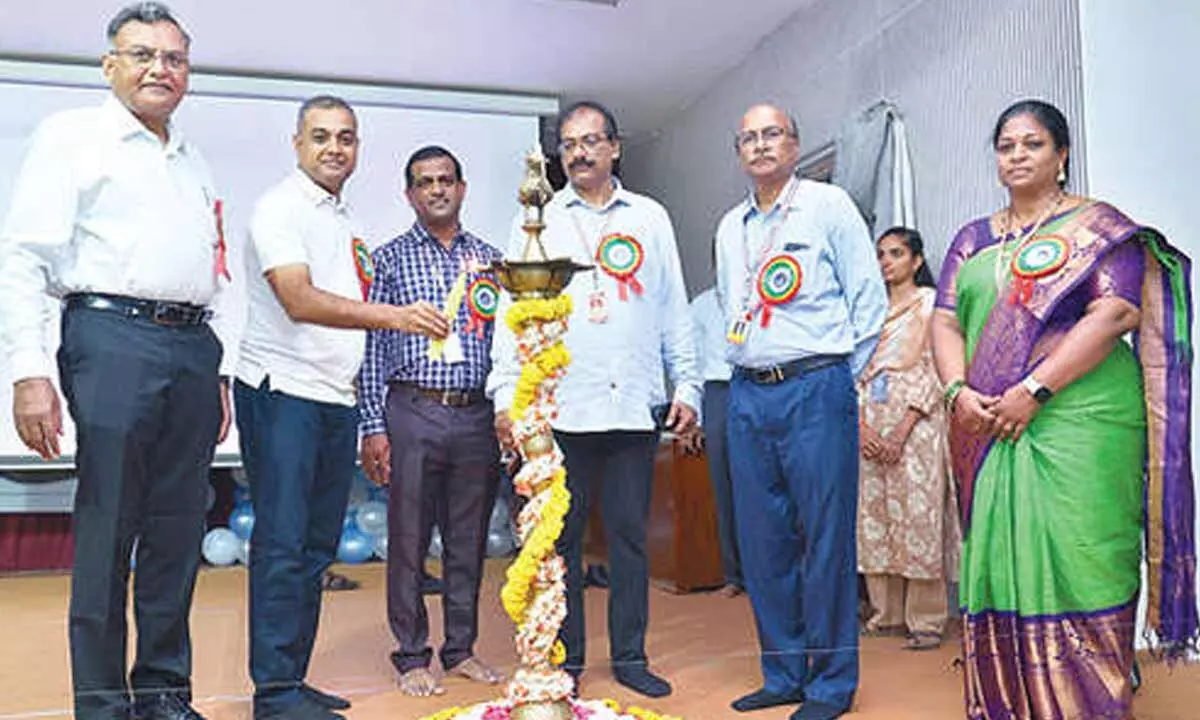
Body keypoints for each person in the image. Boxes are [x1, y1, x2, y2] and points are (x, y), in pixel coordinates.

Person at [931, 99, 1196, 719]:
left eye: (1032, 144)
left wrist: (1035, 389)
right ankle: (1012, 699)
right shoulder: (972, 238)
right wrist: (956, 392)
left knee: (1085, 552)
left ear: (1062, 154)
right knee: (1003, 556)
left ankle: (1092, 700)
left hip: (1083, 422)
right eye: (1006, 146)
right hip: (989, 424)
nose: (1017, 156)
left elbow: (1116, 313)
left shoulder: (1096, 227)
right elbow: (944, 321)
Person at [0, 5, 230, 719]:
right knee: (108, 531)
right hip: (111, 339)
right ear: (109, 66)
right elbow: (22, 258)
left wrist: (218, 374)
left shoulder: (192, 158)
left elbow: (210, 270)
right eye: (142, 55)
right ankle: (102, 708)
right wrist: (29, 372)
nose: (161, 69)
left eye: (175, 58)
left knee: (177, 532)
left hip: (192, 345)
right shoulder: (71, 137)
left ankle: (163, 694)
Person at [488, 100, 701, 699]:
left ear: (615, 147)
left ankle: (631, 656)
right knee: (562, 541)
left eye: (590, 141)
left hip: (633, 402)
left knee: (631, 537)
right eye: (569, 145)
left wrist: (686, 385)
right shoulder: (537, 219)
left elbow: (672, 305)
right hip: (563, 408)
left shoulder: (650, 217)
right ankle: (568, 657)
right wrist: (505, 395)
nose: (579, 153)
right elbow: (511, 313)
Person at [715, 103, 887, 720]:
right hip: (747, 392)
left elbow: (869, 301)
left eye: (773, 134)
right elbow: (734, 305)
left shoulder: (828, 206)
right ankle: (784, 673)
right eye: (749, 137)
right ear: (739, 152)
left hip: (816, 387)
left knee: (825, 538)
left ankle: (832, 685)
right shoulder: (729, 226)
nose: (761, 145)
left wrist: (835, 373)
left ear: (794, 144)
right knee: (763, 543)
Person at [358, 145, 505, 698]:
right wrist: (372, 424)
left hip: (476, 413)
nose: (437, 189)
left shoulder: (492, 261)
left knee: (468, 539)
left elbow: (506, 343)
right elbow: (374, 348)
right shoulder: (389, 259)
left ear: (462, 189)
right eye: (425, 182)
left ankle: (461, 649)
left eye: (446, 180)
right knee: (409, 538)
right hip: (413, 409)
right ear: (410, 195)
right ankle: (412, 654)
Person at [856, 227, 956, 651]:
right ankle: (886, 614)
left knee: (919, 514)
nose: (886, 262)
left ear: (916, 261)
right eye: (881, 254)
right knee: (875, 515)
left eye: (896, 253)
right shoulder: (867, 308)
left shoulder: (931, 305)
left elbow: (939, 365)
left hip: (918, 420)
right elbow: (852, 368)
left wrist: (902, 428)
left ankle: (926, 620)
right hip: (869, 414)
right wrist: (862, 426)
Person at [682, 242, 743, 598]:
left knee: (764, 481)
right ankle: (734, 573)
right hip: (718, 391)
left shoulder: (760, 297)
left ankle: (768, 573)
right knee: (724, 484)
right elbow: (690, 361)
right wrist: (696, 415)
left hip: (756, 384)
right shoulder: (702, 305)